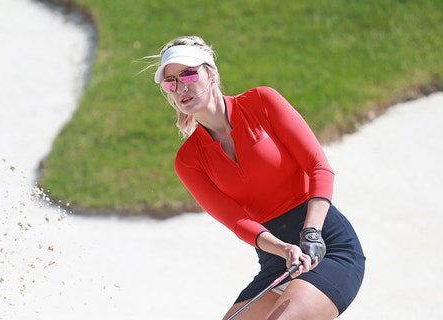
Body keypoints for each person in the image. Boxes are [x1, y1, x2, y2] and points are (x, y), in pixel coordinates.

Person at [148, 35, 365, 319]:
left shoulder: (262, 102)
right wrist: (284, 248)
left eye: (188, 74)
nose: (180, 87)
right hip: (278, 259)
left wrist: (310, 233)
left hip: (326, 245)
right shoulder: (188, 161)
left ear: (211, 74)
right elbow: (238, 222)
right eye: (170, 82)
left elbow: (319, 168)